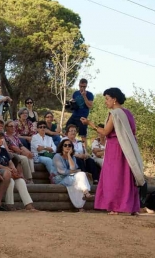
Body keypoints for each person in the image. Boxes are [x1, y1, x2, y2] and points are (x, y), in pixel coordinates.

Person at [80, 87, 145, 215]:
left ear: (114, 99)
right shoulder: (128, 113)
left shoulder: (115, 113)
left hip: (116, 148)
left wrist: (90, 124)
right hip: (127, 148)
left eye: (107, 99)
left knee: (114, 177)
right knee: (127, 177)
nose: (106, 102)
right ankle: (131, 207)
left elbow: (104, 132)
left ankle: (115, 206)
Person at [0, 131, 38, 211]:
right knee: (10, 181)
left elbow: (10, 162)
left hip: (9, 171)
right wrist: (5, 168)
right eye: (0, 138)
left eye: (3, 138)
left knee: (21, 181)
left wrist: (13, 168)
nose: (2, 140)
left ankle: (28, 204)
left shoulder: (3, 150)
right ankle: (9, 204)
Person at [52, 140, 94, 211]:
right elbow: (62, 172)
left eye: (69, 145)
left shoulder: (72, 157)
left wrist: (69, 155)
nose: (67, 147)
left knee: (80, 178)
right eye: (65, 145)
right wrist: (74, 171)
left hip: (71, 177)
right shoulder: (57, 156)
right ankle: (85, 194)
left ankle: (84, 197)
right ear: (62, 147)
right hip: (60, 179)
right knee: (80, 176)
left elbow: (73, 168)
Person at [66, 78, 94, 146]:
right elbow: (73, 102)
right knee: (67, 130)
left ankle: (85, 151)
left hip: (83, 117)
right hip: (74, 115)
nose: (82, 88)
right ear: (79, 85)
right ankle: (67, 146)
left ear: (86, 86)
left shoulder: (89, 94)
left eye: (84, 86)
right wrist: (70, 104)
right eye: (80, 86)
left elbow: (90, 106)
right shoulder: (75, 93)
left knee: (83, 135)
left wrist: (84, 96)